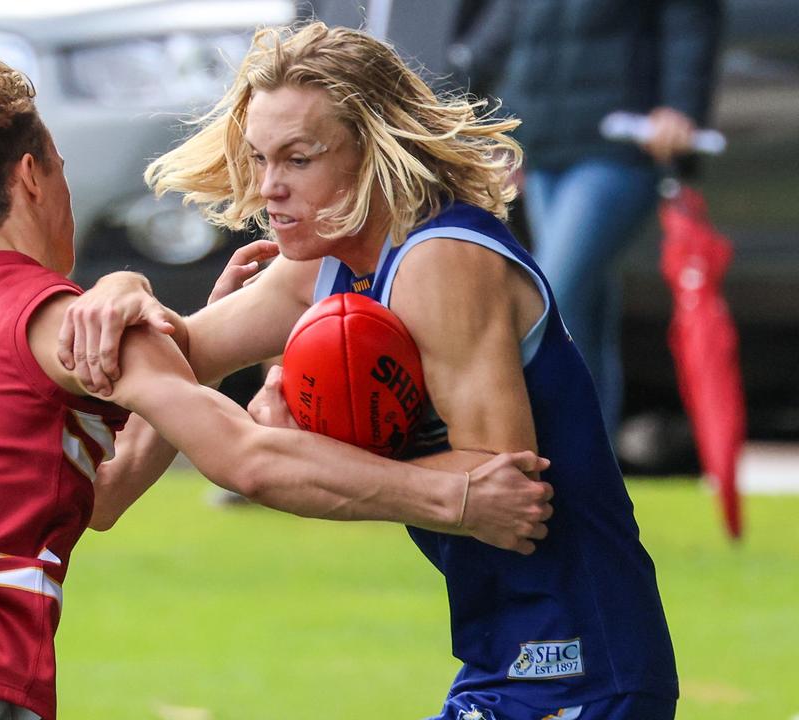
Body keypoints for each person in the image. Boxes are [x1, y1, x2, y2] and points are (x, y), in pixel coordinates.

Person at [0, 34, 553, 720]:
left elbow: (95, 495)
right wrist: (453, 495)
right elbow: (244, 457)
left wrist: (146, 315)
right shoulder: (57, 318)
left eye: (295, 158)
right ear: (34, 178)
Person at [60, 22, 677, 720]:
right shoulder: (319, 268)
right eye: (261, 159)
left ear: (372, 149)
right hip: (502, 658)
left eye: (298, 159)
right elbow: (166, 373)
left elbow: (507, 496)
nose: (269, 188)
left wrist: (300, 436)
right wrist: (120, 293)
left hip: (582, 664)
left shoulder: (439, 260)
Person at [494, 0, 723, 437]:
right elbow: (519, 39)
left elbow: (691, 19)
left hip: (619, 145)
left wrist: (681, 106)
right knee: (582, 320)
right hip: (547, 153)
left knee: (549, 298)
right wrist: (508, 130)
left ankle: (564, 461)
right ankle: (598, 480)